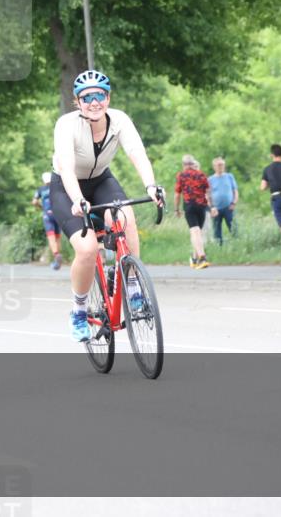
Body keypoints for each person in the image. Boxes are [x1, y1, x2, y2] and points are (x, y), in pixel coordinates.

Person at [49, 70, 163, 342]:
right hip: (68, 188)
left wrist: (151, 186)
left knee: (125, 218)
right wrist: (77, 200)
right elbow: (65, 166)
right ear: (77, 102)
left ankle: (133, 287)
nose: (94, 102)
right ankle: (78, 310)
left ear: (108, 97)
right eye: (86, 97)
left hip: (101, 181)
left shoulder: (120, 120)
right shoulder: (66, 125)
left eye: (99, 95)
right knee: (87, 250)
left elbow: (137, 153)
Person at [174, 155, 211, 269]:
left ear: (184, 164)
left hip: (189, 205)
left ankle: (202, 257)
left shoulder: (182, 175)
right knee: (198, 233)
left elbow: (177, 194)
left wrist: (176, 209)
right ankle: (195, 259)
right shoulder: (201, 174)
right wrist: (211, 206)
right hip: (202, 206)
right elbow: (208, 191)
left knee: (194, 232)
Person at [33, 172, 63, 270]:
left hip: (47, 215)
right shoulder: (58, 188)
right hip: (58, 214)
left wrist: (41, 207)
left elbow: (34, 202)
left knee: (51, 237)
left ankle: (56, 255)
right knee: (58, 237)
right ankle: (57, 259)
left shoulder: (41, 190)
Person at [208, 157, 239, 246]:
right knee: (217, 230)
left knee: (233, 228)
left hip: (229, 207)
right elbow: (208, 195)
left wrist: (234, 202)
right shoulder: (210, 179)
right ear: (214, 166)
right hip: (216, 209)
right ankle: (219, 248)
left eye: (222, 165)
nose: (221, 167)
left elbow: (235, 191)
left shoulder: (229, 176)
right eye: (219, 165)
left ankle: (237, 245)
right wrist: (211, 207)